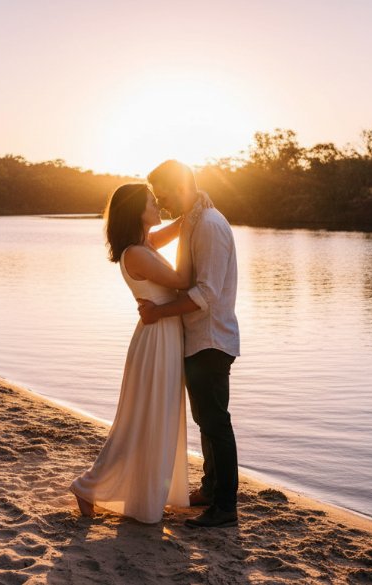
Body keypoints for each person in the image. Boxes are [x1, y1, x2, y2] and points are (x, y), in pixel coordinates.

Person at [69, 183, 192, 524]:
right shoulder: (136, 253)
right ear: (137, 211)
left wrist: (194, 211)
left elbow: (177, 227)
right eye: (152, 202)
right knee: (140, 421)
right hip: (156, 340)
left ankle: (143, 493)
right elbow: (183, 278)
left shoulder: (143, 245)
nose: (158, 206)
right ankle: (87, 486)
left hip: (161, 336)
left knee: (153, 418)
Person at [139, 160, 241, 529]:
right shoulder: (195, 220)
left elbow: (207, 294)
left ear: (177, 186)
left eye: (161, 191)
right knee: (205, 420)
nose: (159, 199)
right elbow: (149, 242)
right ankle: (211, 490)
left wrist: (160, 311)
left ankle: (226, 507)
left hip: (211, 338)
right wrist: (181, 220)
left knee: (216, 422)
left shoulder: (210, 226)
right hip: (198, 338)